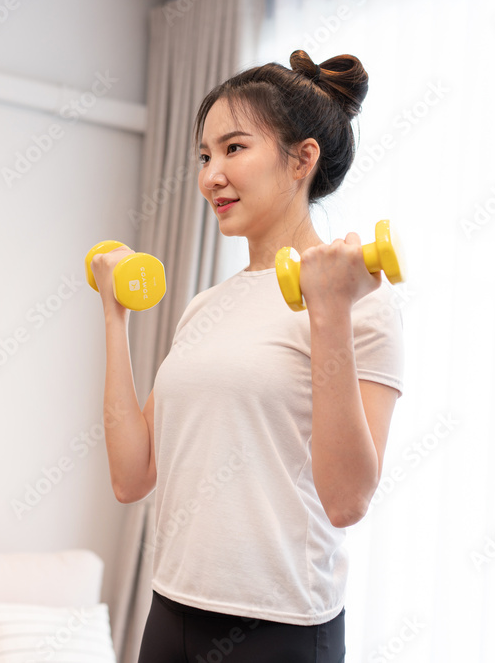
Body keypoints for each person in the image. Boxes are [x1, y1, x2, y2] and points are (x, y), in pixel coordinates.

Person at [91, 50, 404, 663]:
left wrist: (329, 310)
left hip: (280, 627)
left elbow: (346, 501)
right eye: (204, 156)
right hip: (171, 610)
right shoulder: (205, 306)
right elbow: (132, 476)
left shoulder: (361, 301)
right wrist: (113, 315)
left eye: (233, 148)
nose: (211, 175)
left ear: (302, 159)